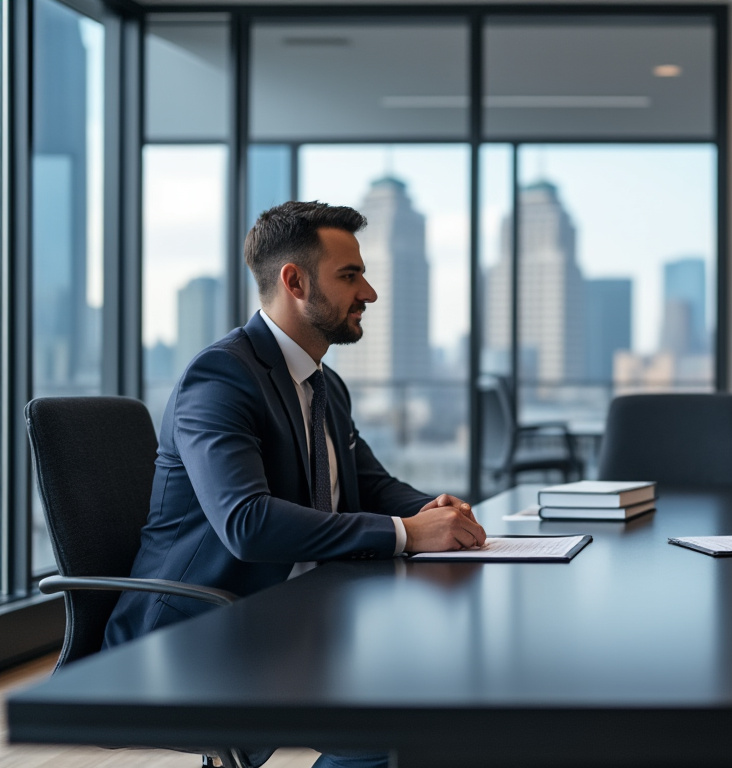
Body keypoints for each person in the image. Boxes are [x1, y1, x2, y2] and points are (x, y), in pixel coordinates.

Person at [104, 201, 485, 768]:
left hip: (300, 613)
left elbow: (371, 484)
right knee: (395, 730)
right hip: (197, 633)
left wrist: (437, 511)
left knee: (445, 694)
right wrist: (408, 532)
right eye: (350, 276)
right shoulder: (221, 378)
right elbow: (246, 524)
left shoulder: (322, 382)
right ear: (295, 281)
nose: (370, 293)